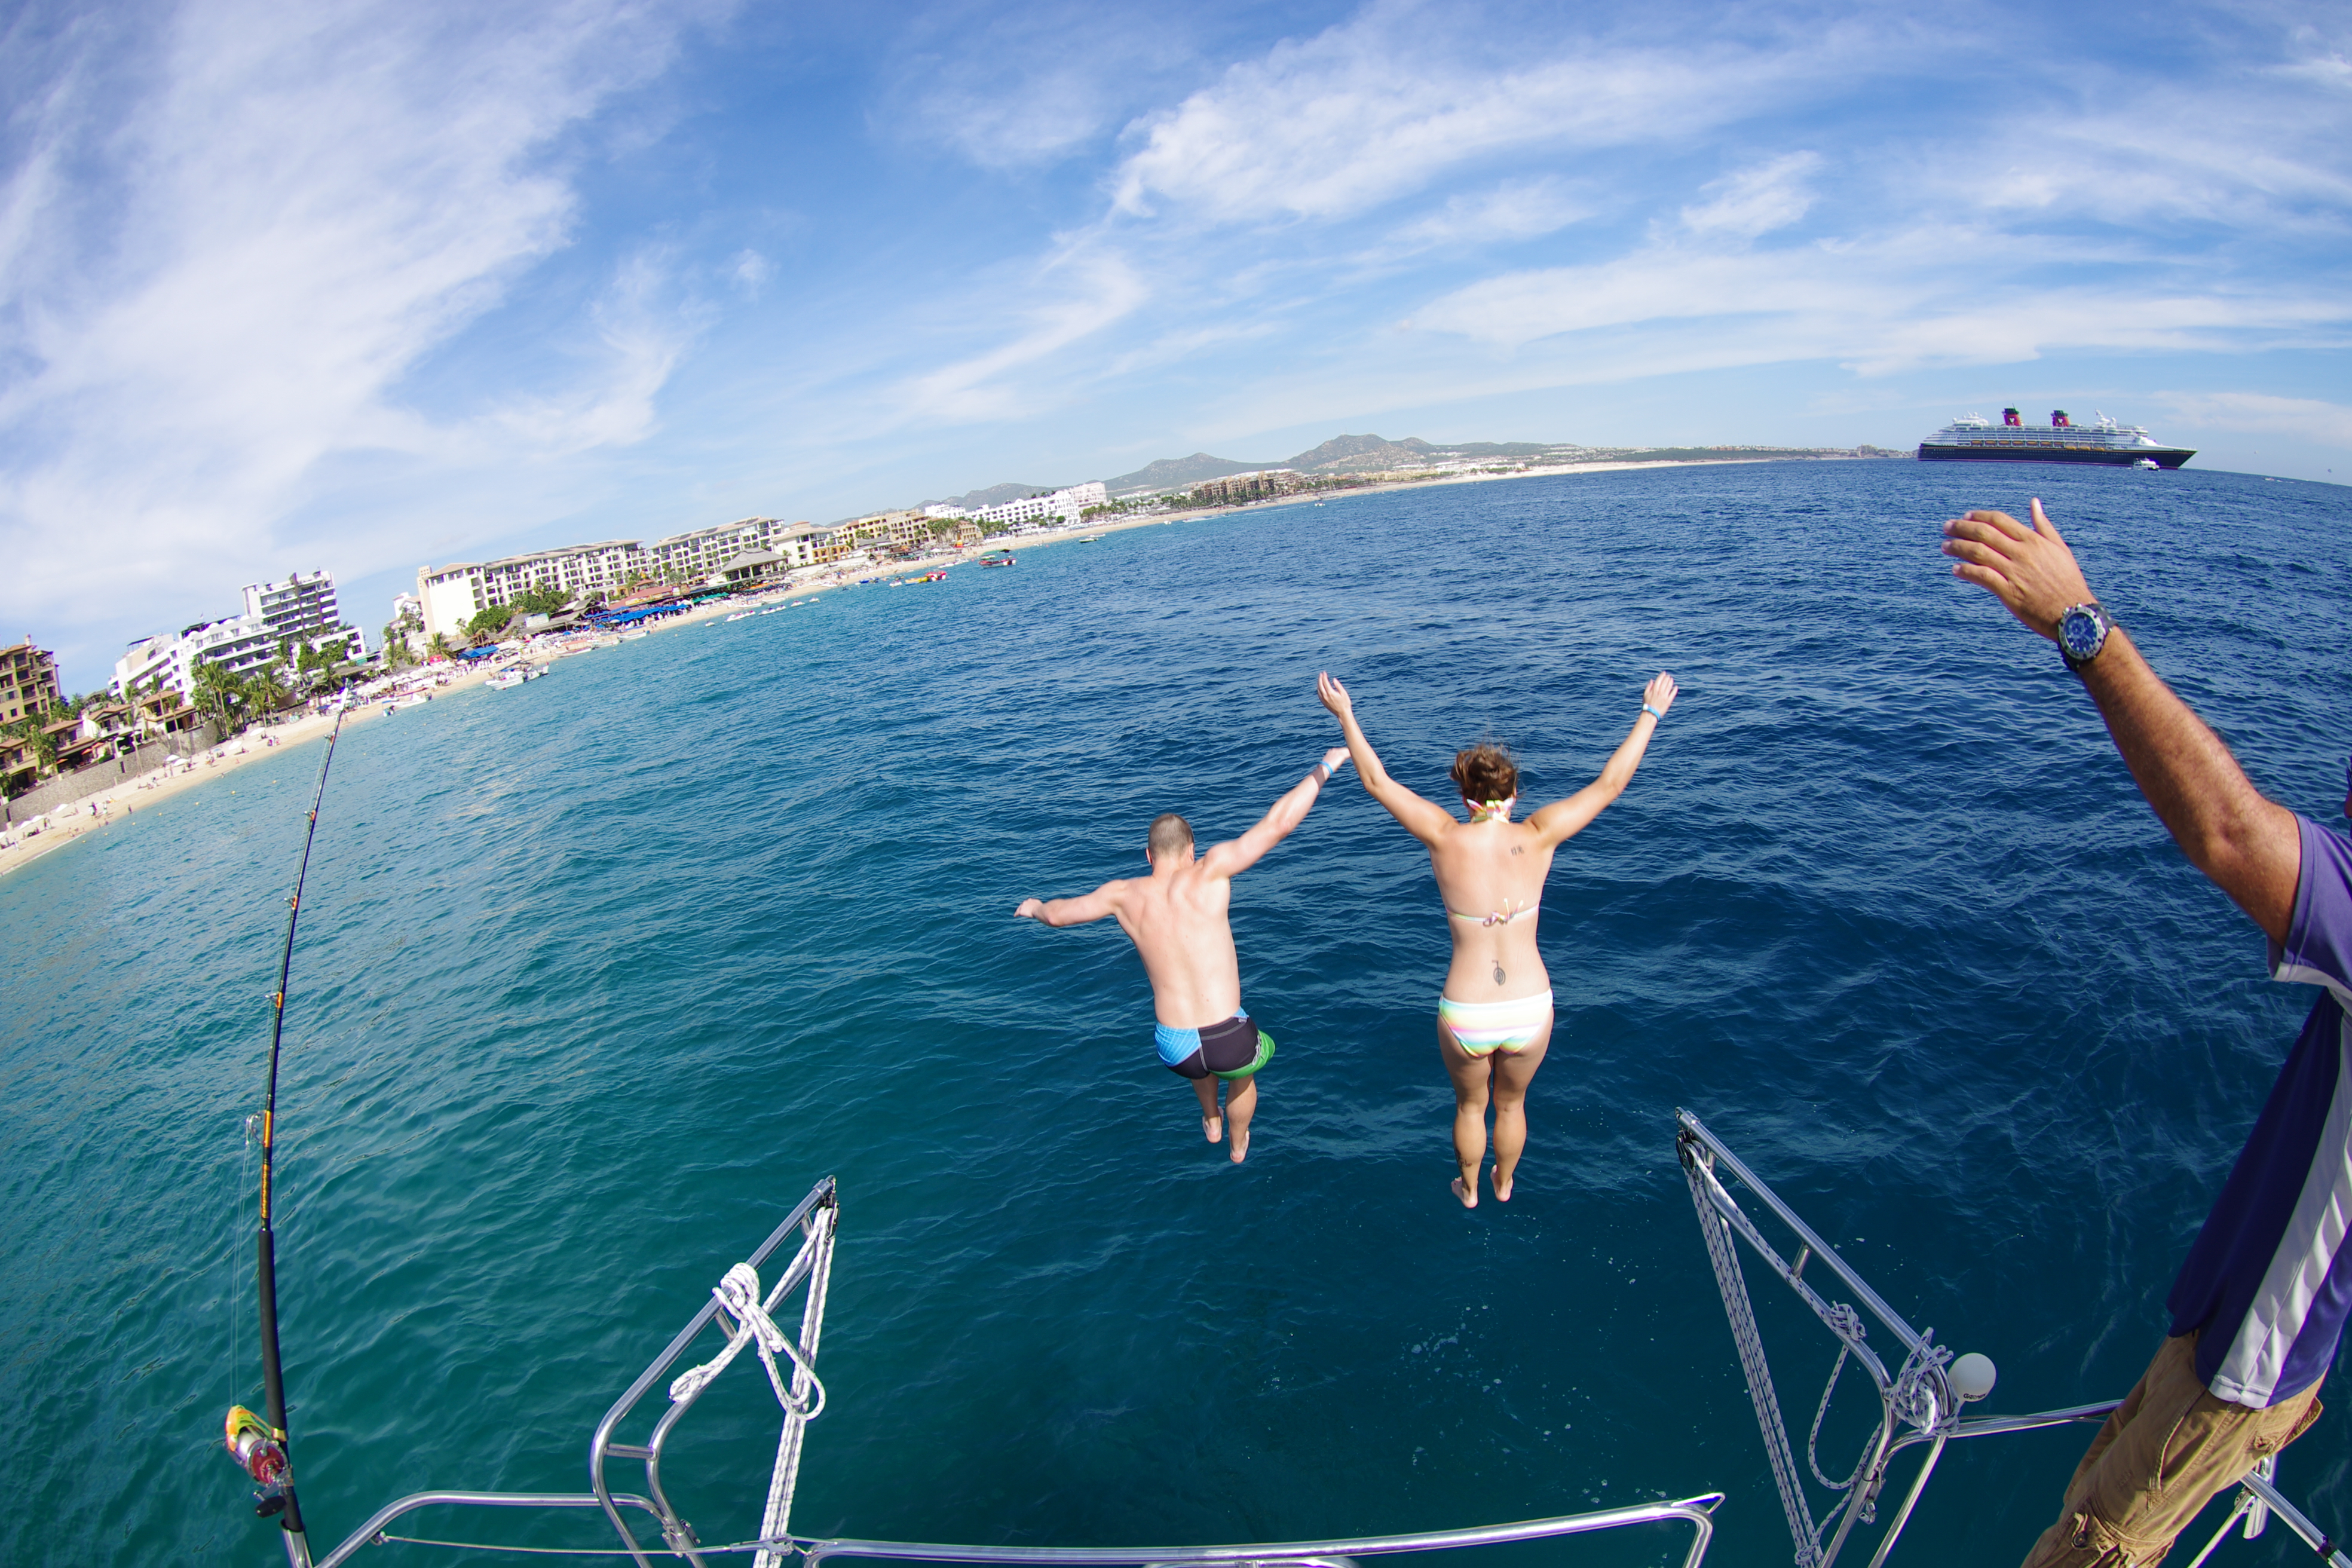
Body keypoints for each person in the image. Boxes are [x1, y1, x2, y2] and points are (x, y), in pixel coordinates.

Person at [1942, 498, 2352, 1566]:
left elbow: (2230, 834)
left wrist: (2081, 625)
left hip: (2245, 1368)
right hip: (2230, 1338)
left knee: (2096, 1547)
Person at [1316, 669, 1678, 1207]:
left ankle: (1468, 1190)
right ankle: (1504, 1184)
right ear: (1513, 794)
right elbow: (1610, 785)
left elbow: (1378, 783)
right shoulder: (1540, 833)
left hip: (1468, 1010)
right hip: (1530, 1006)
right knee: (1511, 1105)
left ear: (1465, 798)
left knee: (1471, 1106)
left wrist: (1346, 714)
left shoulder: (1444, 836)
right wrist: (1650, 714)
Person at [1014, 745, 1352, 1163]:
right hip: (1229, 1038)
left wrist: (1034, 908)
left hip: (1176, 1047)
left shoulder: (1122, 895)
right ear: (1192, 848)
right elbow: (1280, 823)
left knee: (1200, 1062)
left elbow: (1059, 915)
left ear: (1149, 856)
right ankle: (1238, 1143)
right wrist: (1328, 763)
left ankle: (1210, 1119)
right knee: (1243, 1075)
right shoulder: (1212, 870)